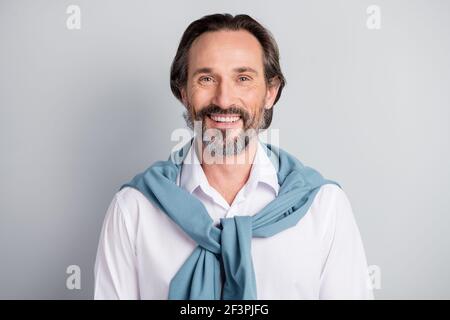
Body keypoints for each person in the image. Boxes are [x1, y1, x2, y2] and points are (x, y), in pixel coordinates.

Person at [94, 13, 374, 300]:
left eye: (243, 78)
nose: (224, 99)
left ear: (270, 92)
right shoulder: (133, 209)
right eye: (206, 78)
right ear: (184, 93)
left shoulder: (324, 208)